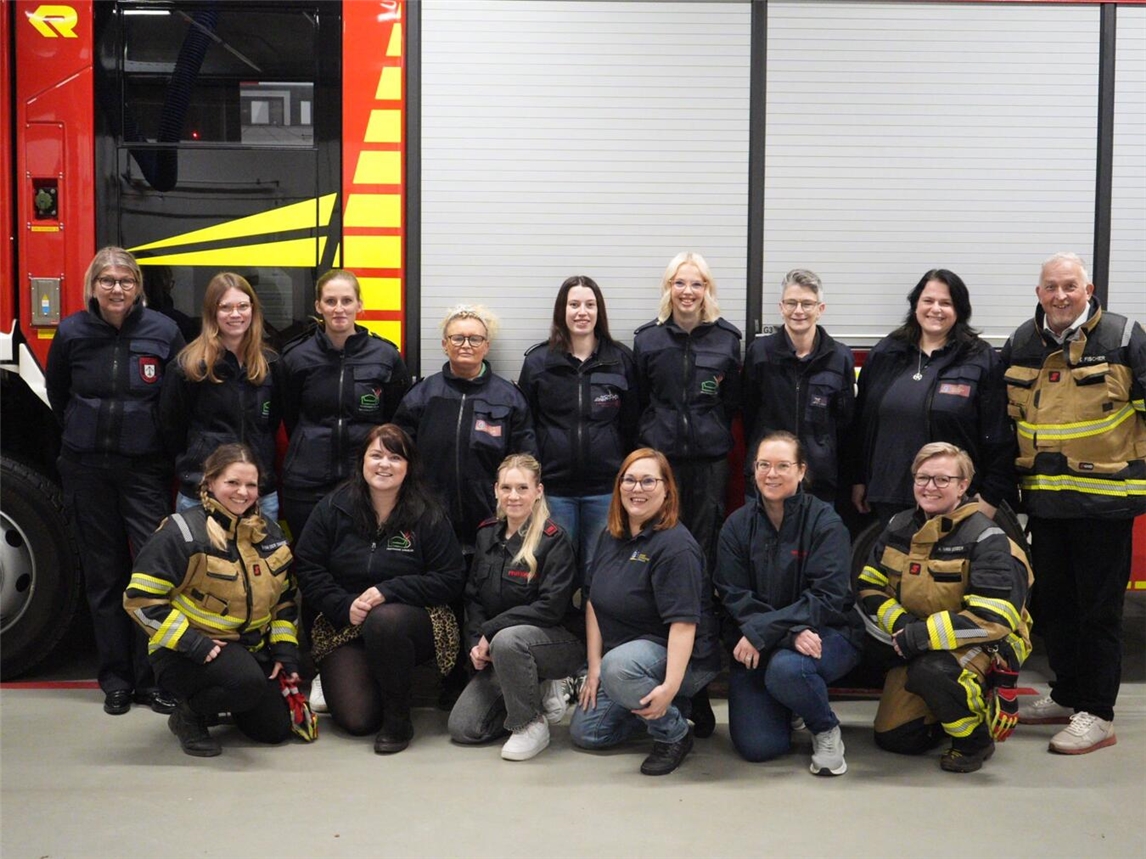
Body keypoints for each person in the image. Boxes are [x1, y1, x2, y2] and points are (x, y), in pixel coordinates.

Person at [1004, 252, 1146, 754]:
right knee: (1054, 608)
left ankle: (1098, 714)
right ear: (1038, 292)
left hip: (1105, 506)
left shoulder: (1125, 338)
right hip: (1045, 505)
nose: (1060, 296)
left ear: (1088, 290)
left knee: (1099, 613)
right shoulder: (1023, 341)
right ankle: (1067, 696)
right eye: (1050, 287)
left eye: (1070, 286)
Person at [45, 247, 185, 717]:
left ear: (139, 286)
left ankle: (153, 679)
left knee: (151, 576)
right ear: (93, 286)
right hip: (86, 469)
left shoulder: (164, 332)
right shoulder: (71, 331)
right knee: (104, 576)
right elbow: (58, 392)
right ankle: (117, 681)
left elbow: (174, 400)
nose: (117, 289)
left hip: (143, 470)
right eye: (107, 281)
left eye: (126, 281)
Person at [857, 443, 1033, 773]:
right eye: (922, 478)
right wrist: (904, 625)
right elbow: (870, 583)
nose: (929, 487)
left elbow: (994, 617)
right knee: (897, 738)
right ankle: (945, 709)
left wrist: (920, 635)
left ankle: (974, 741)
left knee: (932, 673)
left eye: (942, 479)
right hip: (921, 642)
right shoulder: (899, 527)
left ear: (963, 485)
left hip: (981, 645)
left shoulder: (987, 538)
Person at [293, 424, 467, 753]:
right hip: (345, 622)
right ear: (362, 461)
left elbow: (450, 577)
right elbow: (309, 567)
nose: (384, 464)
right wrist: (343, 605)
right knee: (357, 720)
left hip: (416, 620)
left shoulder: (427, 513)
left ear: (409, 466)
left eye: (394, 457)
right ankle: (377, 679)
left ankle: (398, 719)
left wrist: (390, 590)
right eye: (376, 455)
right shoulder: (334, 508)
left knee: (385, 620)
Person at [124, 444, 299, 757]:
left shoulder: (269, 534)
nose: (242, 493)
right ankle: (187, 716)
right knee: (245, 684)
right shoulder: (182, 533)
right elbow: (140, 601)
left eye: (250, 485)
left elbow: (284, 599)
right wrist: (193, 644)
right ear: (210, 483)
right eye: (232, 483)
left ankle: (228, 698)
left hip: (247, 649)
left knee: (275, 731)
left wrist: (284, 649)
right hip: (187, 652)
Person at [713, 432, 864, 774]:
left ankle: (824, 727)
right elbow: (733, 595)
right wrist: (788, 632)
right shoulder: (736, 525)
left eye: (783, 465)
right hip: (766, 641)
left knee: (788, 669)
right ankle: (791, 700)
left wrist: (770, 630)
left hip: (828, 634)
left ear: (801, 471)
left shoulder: (825, 523)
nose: (772, 474)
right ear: (753, 470)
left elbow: (828, 597)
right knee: (759, 747)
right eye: (764, 465)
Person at [569, 449, 720, 776]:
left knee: (620, 667)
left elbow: (683, 626)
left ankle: (675, 732)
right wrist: (594, 668)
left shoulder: (676, 546)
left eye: (648, 481)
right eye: (630, 480)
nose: (637, 489)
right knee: (589, 733)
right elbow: (594, 600)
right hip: (624, 658)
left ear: (667, 489)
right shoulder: (609, 534)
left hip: (680, 655)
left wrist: (667, 687)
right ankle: (680, 706)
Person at [850, 269, 1014, 525]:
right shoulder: (886, 353)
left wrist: (990, 498)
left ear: (959, 309)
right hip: (886, 497)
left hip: (952, 503)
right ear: (915, 304)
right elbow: (862, 424)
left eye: (946, 303)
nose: (935, 309)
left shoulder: (980, 359)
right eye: (928, 301)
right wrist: (859, 479)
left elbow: (1000, 437)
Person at [448, 454, 584, 761]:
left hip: (556, 644)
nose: (513, 496)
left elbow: (550, 608)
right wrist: (475, 643)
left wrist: (490, 632)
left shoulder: (554, 540)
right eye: (506, 487)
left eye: (522, 488)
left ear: (538, 491)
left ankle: (530, 724)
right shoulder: (486, 534)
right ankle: (533, 689)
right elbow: (474, 597)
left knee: (509, 640)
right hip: (501, 650)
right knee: (465, 728)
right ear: (495, 490)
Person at [517, 276, 639, 572]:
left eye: (589, 305)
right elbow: (525, 424)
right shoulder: (538, 362)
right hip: (555, 490)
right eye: (574, 304)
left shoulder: (620, 359)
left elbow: (633, 422)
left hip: (605, 489)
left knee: (599, 569)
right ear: (562, 310)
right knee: (556, 569)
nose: (582, 312)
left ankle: (594, 620)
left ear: (600, 312)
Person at [279, 268, 411, 543]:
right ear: (318, 306)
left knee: (357, 558)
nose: (339, 309)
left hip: (366, 482)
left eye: (347, 301)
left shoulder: (385, 356)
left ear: (359, 305)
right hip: (307, 483)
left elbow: (394, 421)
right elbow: (289, 415)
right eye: (330, 301)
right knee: (309, 559)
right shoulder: (296, 357)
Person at [393, 304, 536, 552]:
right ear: (444, 344)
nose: (466, 344)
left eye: (475, 338)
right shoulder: (422, 396)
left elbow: (526, 460)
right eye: (457, 338)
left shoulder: (509, 398)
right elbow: (397, 453)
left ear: (486, 345)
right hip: (430, 518)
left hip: (492, 520)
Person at [632, 252, 742, 568]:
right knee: (659, 531)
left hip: (710, 459)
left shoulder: (727, 339)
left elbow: (731, 401)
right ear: (669, 287)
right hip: (660, 457)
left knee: (705, 536)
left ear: (707, 289)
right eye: (680, 283)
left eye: (696, 283)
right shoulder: (648, 339)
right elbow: (639, 399)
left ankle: (701, 604)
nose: (688, 291)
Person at [161, 272, 281, 523]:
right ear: (211, 313)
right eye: (225, 307)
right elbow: (172, 429)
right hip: (201, 494)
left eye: (242, 306)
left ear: (253, 310)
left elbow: (271, 424)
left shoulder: (271, 365)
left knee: (259, 563)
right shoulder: (187, 368)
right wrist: (195, 467)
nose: (235, 315)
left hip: (257, 495)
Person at [743, 270, 854, 505]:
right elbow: (748, 412)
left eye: (807, 304)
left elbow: (845, 422)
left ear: (820, 309)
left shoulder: (839, 357)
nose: (799, 311)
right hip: (768, 478)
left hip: (819, 481)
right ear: (781, 307)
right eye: (791, 303)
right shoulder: (760, 353)